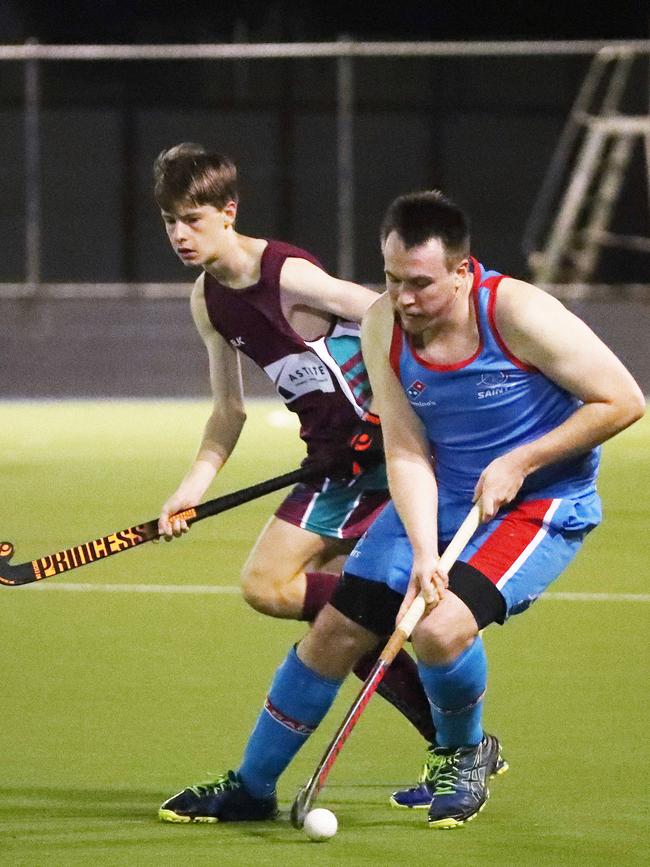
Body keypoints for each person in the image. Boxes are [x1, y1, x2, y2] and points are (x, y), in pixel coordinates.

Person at [158, 188, 644, 829]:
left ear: (464, 271)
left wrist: (520, 461)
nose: (403, 299)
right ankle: (252, 786)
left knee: (438, 627)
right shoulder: (386, 322)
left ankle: (464, 755)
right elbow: (407, 446)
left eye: (420, 284)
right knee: (335, 630)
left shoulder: (519, 313)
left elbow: (622, 401)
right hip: (441, 491)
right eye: (391, 280)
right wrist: (420, 551)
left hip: (538, 502)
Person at [152, 142, 438, 747]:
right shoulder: (208, 300)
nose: (180, 234)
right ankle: (452, 741)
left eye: (193, 219)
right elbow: (228, 414)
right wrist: (189, 491)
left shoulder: (287, 275)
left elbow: (395, 315)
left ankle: (434, 668)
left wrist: (390, 413)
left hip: (382, 459)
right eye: (170, 221)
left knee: (273, 586)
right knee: (327, 613)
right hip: (332, 461)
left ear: (228, 211)